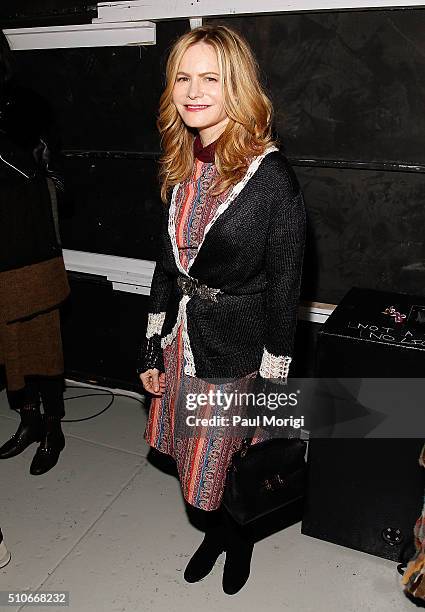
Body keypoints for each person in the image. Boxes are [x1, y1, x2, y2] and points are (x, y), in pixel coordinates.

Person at [138, 25, 306, 594]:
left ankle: (237, 541)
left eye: (210, 77)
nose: (193, 91)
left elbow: (287, 291)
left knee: (225, 466)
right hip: (183, 343)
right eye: (183, 77)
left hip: (238, 353)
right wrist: (150, 343)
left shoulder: (270, 179)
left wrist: (269, 384)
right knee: (195, 463)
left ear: (238, 85)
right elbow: (169, 266)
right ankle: (215, 531)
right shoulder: (178, 162)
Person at [0, 31, 70, 475]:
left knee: (43, 344)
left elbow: (48, 174)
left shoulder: (25, 105)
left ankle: (53, 429)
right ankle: (28, 421)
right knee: (10, 349)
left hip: (29, 249)